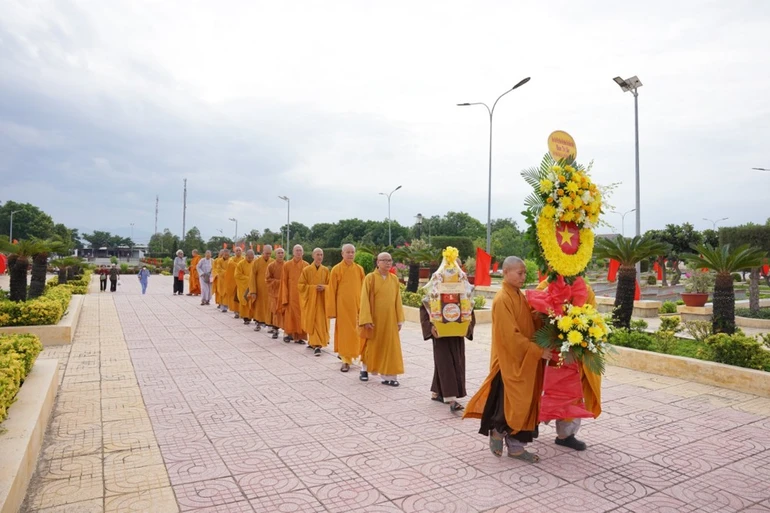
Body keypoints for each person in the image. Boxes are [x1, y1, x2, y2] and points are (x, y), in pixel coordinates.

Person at [463, 256, 551, 463]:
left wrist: (544, 314)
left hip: (523, 361)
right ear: (506, 273)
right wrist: (537, 351)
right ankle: (498, 431)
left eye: (524, 273)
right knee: (511, 404)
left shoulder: (517, 295)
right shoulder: (503, 298)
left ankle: (516, 447)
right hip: (511, 361)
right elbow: (511, 335)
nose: (523, 276)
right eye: (519, 273)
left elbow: (526, 321)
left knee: (523, 403)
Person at [535, 279, 602, 451]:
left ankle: (566, 434)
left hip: (574, 353)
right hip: (549, 351)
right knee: (541, 389)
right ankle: (531, 424)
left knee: (573, 392)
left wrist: (583, 336)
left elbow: (593, 317)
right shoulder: (545, 287)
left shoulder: (585, 289)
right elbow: (535, 317)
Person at [358, 252, 404, 386]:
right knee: (371, 345)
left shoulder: (394, 279)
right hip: (374, 319)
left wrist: (399, 320)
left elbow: (397, 300)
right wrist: (366, 319)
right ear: (378, 262)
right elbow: (364, 299)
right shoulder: (370, 278)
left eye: (390, 260)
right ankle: (364, 369)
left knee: (390, 347)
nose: (388, 263)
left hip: (390, 320)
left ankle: (389, 376)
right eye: (384, 260)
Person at [420, 303, 475, 413]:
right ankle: (451, 399)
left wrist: (467, 327)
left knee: (456, 361)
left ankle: (437, 391)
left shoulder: (462, 288)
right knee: (445, 362)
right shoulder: (435, 287)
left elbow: (469, 309)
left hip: (457, 331)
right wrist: (430, 328)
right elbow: (425, 307)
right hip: (441, 331)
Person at [327, 243, 365, 372]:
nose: (350, 254)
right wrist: (332, 310)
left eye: (352, 252)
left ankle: (353, 356)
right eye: (347, 252)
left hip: (357, 306)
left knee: (357, 333)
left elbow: (364, 289)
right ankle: (345, 360)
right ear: (342, 254)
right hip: (342, 307)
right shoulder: (336, 269)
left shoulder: (359, 269)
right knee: (344, 334)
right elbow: (331, 290)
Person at [299, 248, 330, 356]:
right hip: (311, 302)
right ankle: (315, 343)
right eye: (317, 254)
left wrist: (325, 288)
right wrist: (313, 289)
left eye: (321, 255)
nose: (319, 257)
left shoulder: (325, 270)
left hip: (322, 302)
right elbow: (301, 286)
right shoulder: (306, 270)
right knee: (313, 321)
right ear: (313, 256)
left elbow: (331, 285)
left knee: (321, 322)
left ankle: (317, 344)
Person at [280, 244, 308, 344]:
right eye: (296, 250)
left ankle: (300, 337)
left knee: (301, 316)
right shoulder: (287, 265)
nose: (298, 252)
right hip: (291, 295)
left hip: (302, 296)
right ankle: (287, 334)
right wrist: (285, 296)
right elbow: (284, 281)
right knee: (289, 316)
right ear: (293, 252)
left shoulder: (306, 265)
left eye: (300, 250)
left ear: (303, 252)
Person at [249, 245, 274, 332]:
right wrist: (253, 290)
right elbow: (252, 277)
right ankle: (258, 324)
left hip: (269, 291)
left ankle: (270, 326)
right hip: (259, 290)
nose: (268, 255)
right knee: (258, 308)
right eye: (266, 253)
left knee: (269, 308)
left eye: (270, 254)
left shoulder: (272, 262)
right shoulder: (256, 262)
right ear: (263, 252)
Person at [266, 248, 286, 339]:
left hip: (285, 293)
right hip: (274, 293)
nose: (281, 255)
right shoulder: (271, 266)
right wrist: (278, 282)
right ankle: (275, 330)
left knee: (285, 312)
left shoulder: (287, 265)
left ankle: (287, 332)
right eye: (279, 253)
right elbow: (267, 279)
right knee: (275, 311)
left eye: (282, 253)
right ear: (275, 254)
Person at [235, 249, 256, 324]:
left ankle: (252, 316)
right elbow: (237, 275)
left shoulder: (255, 263)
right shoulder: (240, 264)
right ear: (246, 256)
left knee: (252, 301)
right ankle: (246, 317)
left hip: (253, 286)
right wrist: (248, 279)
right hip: (243, 286)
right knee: (244, 300)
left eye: (252, 257)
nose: (250, 259)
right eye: (249, 257)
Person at [225, 246, 243, 317]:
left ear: (241, 252)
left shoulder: (244, 259)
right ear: (234, 252)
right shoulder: (231, 260)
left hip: (241, 282)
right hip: (233, 281)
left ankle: (242, 311)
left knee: (241, 297)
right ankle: (236, 311)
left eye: (239, 250)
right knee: (235, 297)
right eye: (237, 250)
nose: (238, 251)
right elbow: (230, 266)